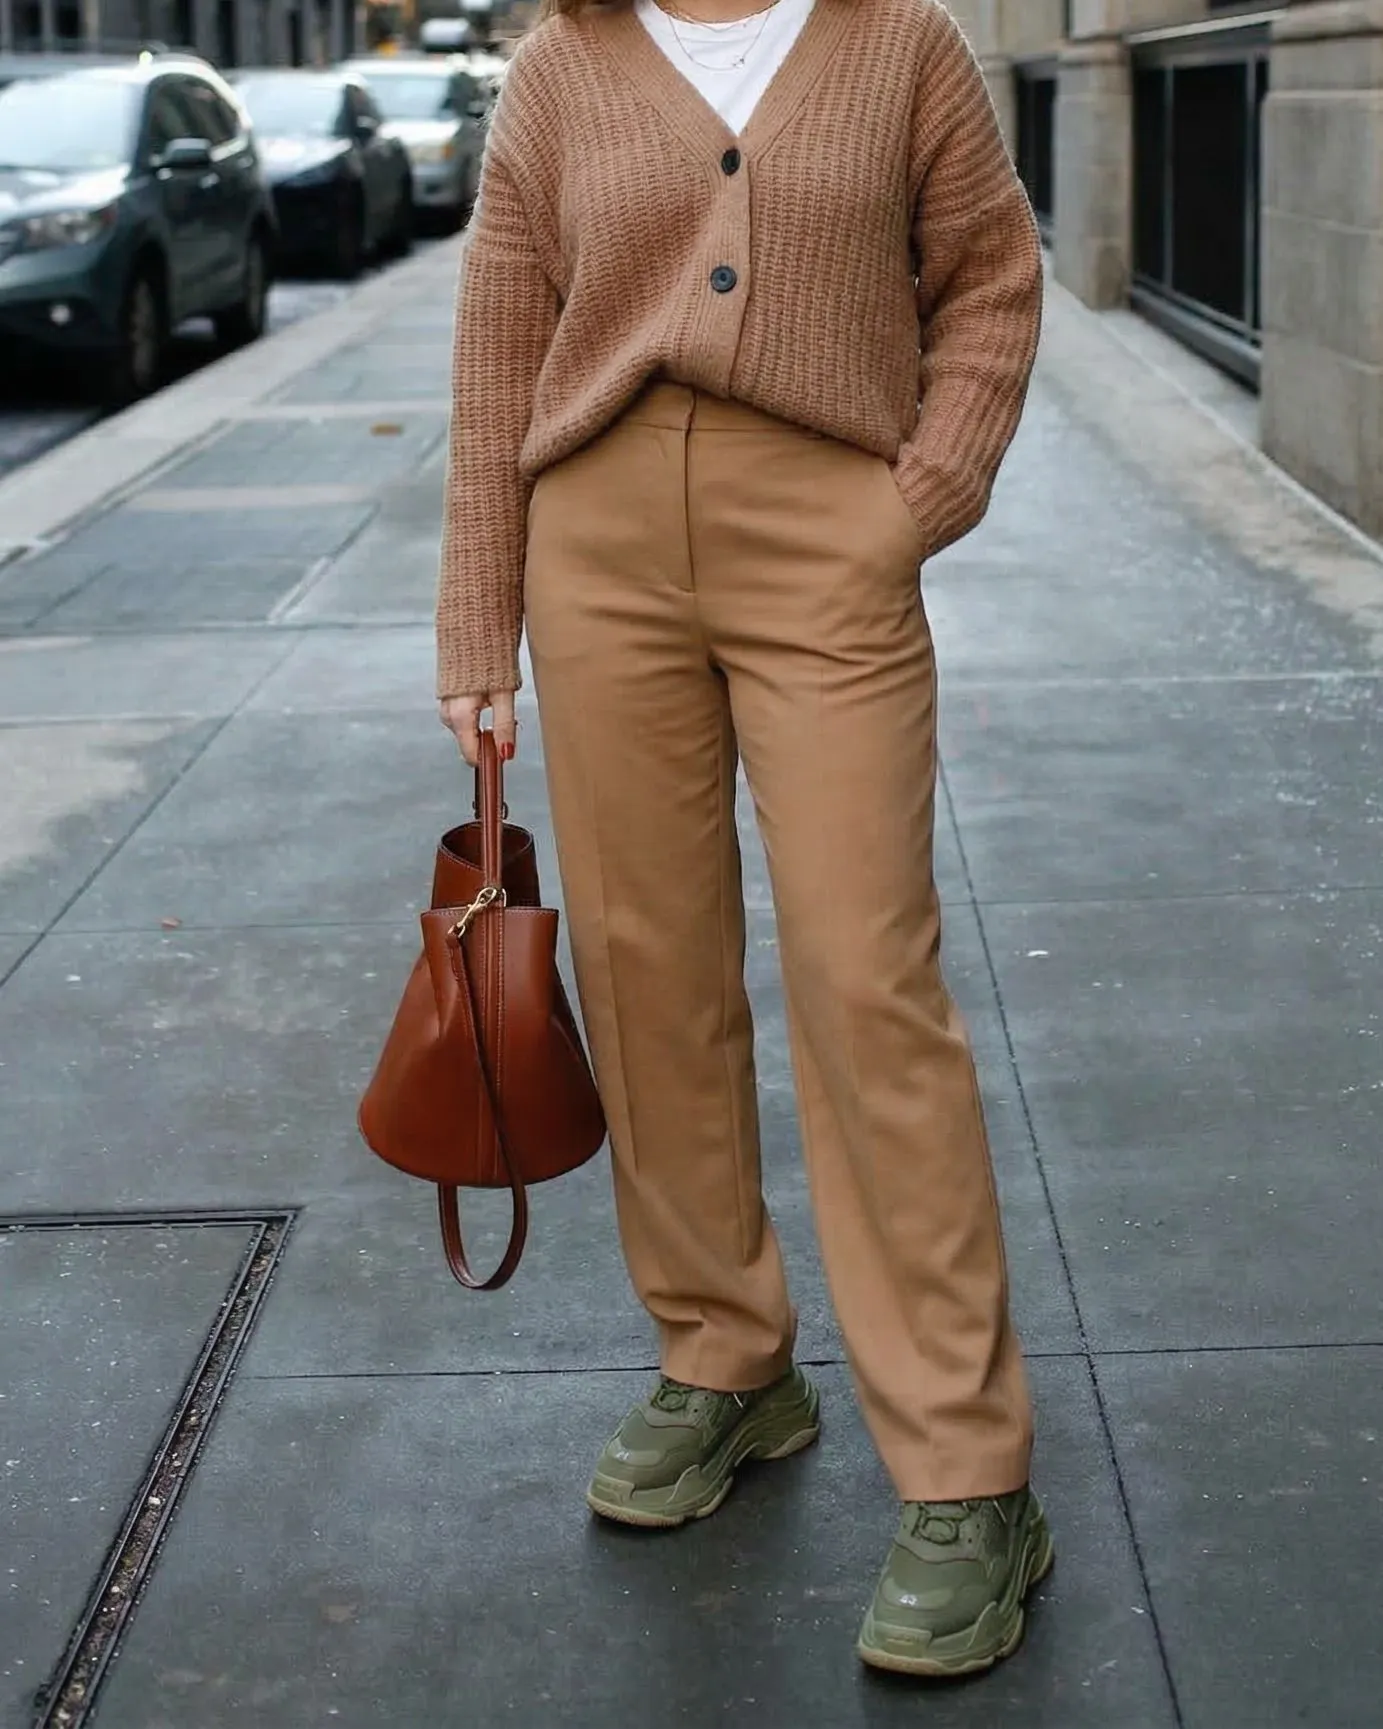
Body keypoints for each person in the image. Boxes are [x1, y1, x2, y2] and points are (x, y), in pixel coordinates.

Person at [436, 0, 1050, 1679]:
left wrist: (915, 501)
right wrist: (478, 628)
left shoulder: (898, 42)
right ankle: (724, 1360)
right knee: (645, 971)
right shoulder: (561, 66)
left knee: (867, 974)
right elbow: (501, 343)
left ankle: (967, 1473)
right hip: (599, 546)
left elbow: (990, 278)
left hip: (826, 536)